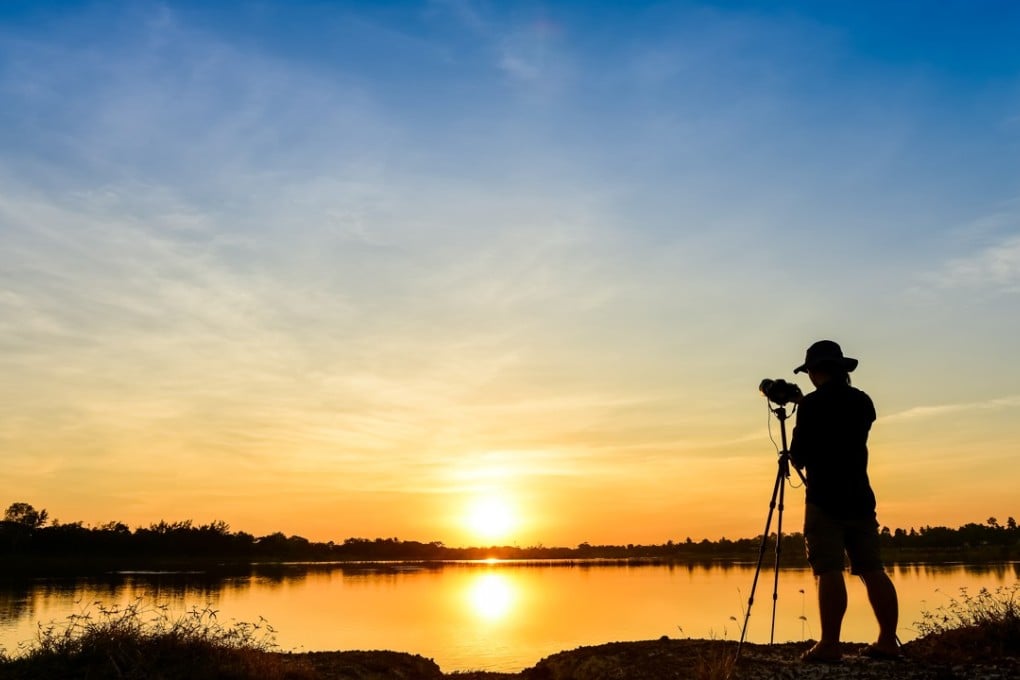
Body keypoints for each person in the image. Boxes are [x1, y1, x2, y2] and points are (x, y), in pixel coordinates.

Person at [788, 340, 899, 663]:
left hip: (825, 499)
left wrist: (803, 408)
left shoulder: (812, 407)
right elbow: (845, 427)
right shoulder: (863, 402)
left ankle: (830, 644)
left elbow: (800, 455)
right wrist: (807, 403)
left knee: (829, 569)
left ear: (814, 371)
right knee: (872, 569)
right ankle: (887, 642)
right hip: (861, 498)